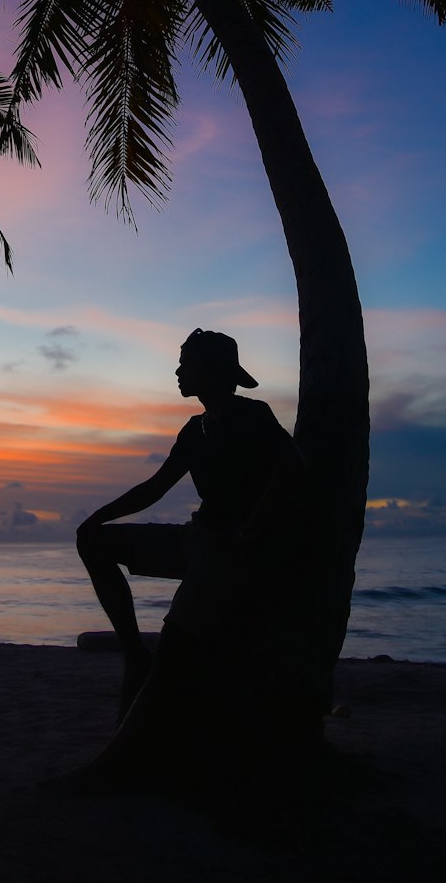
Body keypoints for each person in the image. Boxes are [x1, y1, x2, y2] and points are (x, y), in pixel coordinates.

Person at [73, 327, 309, 787]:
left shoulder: (252, 415)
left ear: (213, 369)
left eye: (187, 362)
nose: (178, 371)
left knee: (177, 655)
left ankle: (120, 764)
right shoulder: (195, 429)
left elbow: (293, 471)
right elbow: (156, 486)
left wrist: (253, 527)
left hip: (234, 554)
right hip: (197, 541)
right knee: (95, 543)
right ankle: (132, 650)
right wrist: (95, 520)